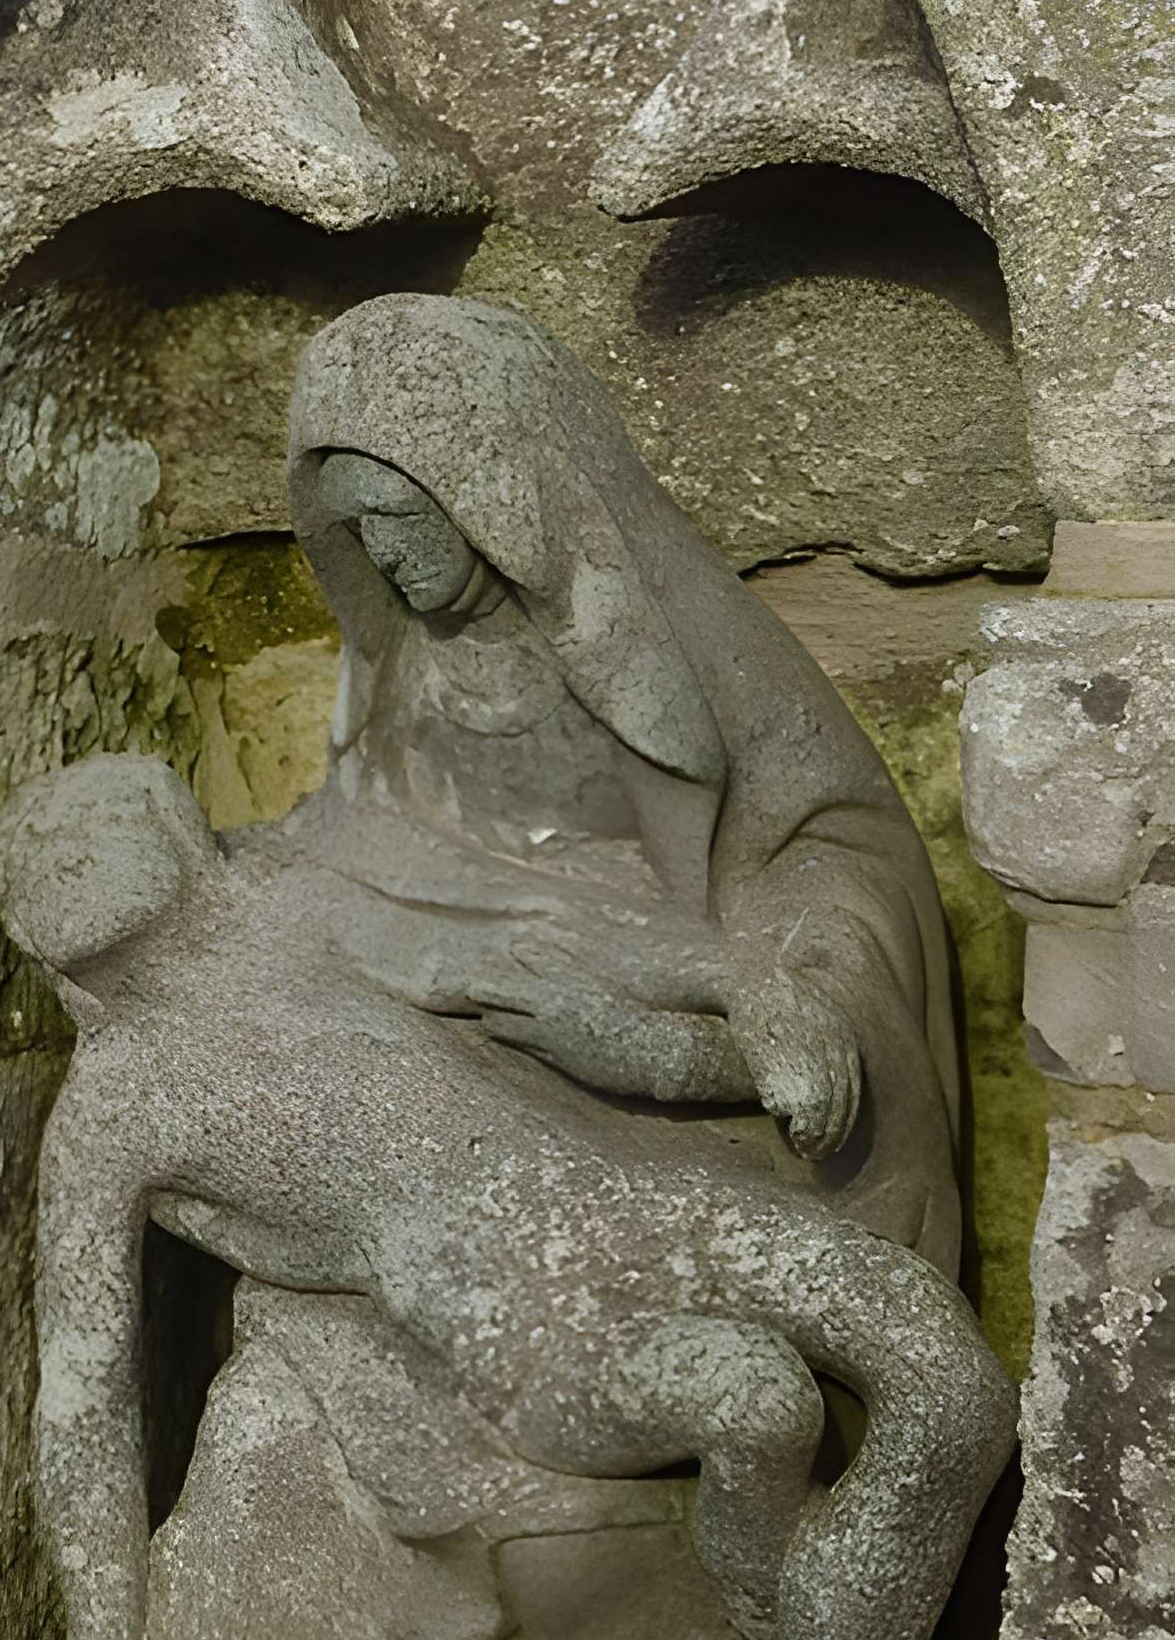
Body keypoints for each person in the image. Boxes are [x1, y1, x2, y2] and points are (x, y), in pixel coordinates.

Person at [0, 755, 1015, 1640]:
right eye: (119, 950)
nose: (157, 960)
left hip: (622, 1207)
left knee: (950, 1383)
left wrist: (748, 996)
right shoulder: (120, 1106)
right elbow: (80, 1399)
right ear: (74, 963)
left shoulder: (303, 911)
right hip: (508, 1318)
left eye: (156, 917)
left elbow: (566, 939)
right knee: (751, 1405)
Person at [280, 293, 963, 1273]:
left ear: (488, 490)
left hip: (652, 1003)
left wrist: (670, 1049)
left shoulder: (664, 653)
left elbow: (835, 876)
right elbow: (373, 833)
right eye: (355, 529)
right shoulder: (412, 663)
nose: (383, 553)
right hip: (490, 980)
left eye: (398, 514)